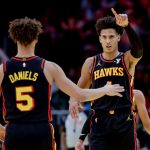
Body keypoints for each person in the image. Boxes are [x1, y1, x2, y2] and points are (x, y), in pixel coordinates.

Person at [0, 17, 125, 150]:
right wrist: (105, 89)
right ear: (36, 38)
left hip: (14, 130)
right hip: (41, 131)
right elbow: (80, 95)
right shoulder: (48, 67)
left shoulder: (3, 70)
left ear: (14, 39)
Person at [69, 8, 143, 150]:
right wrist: (72, 100)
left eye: (111, 36)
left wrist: (127, 26)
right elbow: (77, 91)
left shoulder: (126, 59)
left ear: (118, 37)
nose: (108, 41)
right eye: (104, 37)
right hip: (99, 122)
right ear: (99, 38)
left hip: (124, 120)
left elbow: (139, 50)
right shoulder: (91, 62)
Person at [75, 89, 150, 150]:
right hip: (104, 139)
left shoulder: (135, 95)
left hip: (125, 139)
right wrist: (80, 140)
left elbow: (147, 124)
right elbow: (92, 116)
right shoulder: (102, 92)